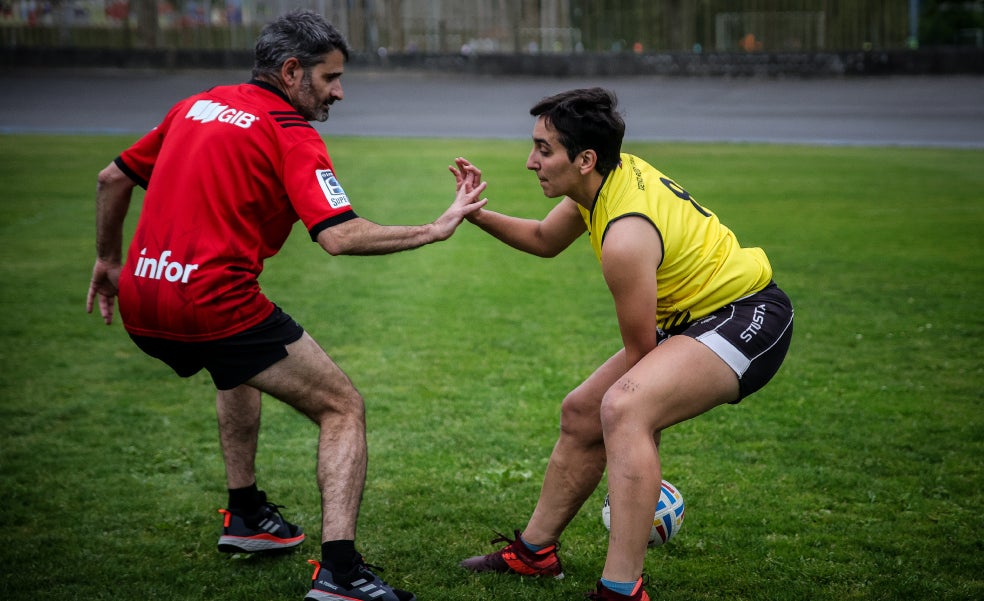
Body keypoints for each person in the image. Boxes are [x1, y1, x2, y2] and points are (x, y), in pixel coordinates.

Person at [86, 10, 486, 601]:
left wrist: (107, 262)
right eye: (329, 78)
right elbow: (339, 235)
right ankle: (342, 574)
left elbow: (110, 179)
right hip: (212, 302)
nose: (339, 91)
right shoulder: (290, 131)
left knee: (239, 366)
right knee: (342, 406)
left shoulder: (195, 105)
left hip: (144, 298)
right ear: (291, 71)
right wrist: (434, 228)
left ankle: (246, 515)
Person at [453, 88, 793, 600]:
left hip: (746, 316)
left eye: (544, 149)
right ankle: (535, 553)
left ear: (585, 159)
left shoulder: (626, 237)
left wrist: (641, 449)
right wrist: (475, 214)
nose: (531, 162)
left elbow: (641, 363)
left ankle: (620, 590)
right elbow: (545, 241)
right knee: (581, 413)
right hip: (694, 319)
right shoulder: (606, 179)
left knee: (623, 407)